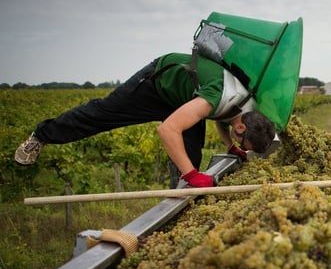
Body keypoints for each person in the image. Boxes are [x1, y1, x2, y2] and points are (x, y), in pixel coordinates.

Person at [14, 53, 276, 188]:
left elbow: (224, 117)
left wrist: (231, 146)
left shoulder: (247, 108)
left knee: (190, 151)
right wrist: (193, 175)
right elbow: (167, 129)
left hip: (186, 95)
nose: (243, 149)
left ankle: (179, 197)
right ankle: (41, 136)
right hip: (156, 84)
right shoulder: (214, 99)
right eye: (245, 145)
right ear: (242, 127)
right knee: (102, 114)